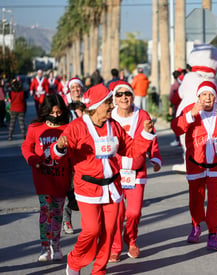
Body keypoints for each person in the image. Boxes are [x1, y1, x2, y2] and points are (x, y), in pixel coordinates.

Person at [50, 83, 155, 275]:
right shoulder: (77, 127)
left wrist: (145, 134)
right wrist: (60, 147)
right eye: (109, 102)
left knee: (108, 233)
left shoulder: (113, 125)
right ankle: (74, 262)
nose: (112, 106)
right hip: (87, 188)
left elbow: (130, 149)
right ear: (97, 105)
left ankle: (99, 270)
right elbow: (57, 155)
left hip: (113, 187)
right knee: (91, 230)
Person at [171, 80, 217, 251]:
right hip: (196, 163)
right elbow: (176, 128)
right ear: (199, 96)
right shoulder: (190, 110)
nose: (208, 98)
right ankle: (196, 226)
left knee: (214, 200)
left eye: (211, 94)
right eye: (204, 94)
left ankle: (213, 235)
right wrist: (190, 115)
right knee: (196, 199)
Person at [109, 80, 162, 263]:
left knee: (133, 212)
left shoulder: (142, 115)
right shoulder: (109, 117)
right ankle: (115, 247)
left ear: (132, 96)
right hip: (114, 173)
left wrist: (155, 157)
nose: (124, 97)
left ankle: (130, 240)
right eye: (119, 94)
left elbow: (151, 137)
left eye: (127, 94)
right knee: (117, 213)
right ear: (114, 99)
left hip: (136, 171)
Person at [21, 94, 72, 262]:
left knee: (57, 213)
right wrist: (33, 159)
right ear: (46, 111)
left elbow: (74, 152)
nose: (56, 116)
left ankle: (56, 245)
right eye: (53, 113)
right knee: (45, 210)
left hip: (61, 178)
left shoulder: (69, 128)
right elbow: (26, 147)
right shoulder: (35, 127)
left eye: (59, 113)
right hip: (42, 177)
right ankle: (44, 246)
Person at [172, 43, 217, 173]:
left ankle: (189, 163)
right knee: (204, 139)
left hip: (188, 112)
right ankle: (207, 161)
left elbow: (181, 93)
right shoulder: (213, 80)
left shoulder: (189, 77)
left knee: (188, 140)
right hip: (208, 114)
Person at [62, 101, 86, 235]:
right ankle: (67, 221)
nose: (80, 114)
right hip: (69, 166)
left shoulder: (88, 126)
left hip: (83, 166)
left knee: (84, 197)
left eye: (81, 111)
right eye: (77, 112)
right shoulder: (69, 127)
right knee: (69, 195)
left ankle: (88, 222)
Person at [168, 69, 185, 146]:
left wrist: (170, 105)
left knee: (178, 123)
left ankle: (178, 140)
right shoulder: (184, 85)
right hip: (185, 106)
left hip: (177, 107)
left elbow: (171, 98)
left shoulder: (174, 86)